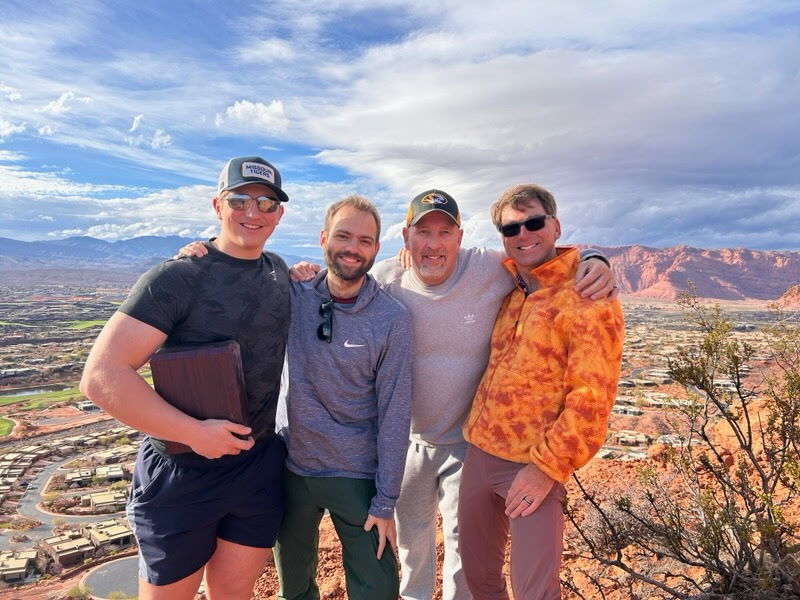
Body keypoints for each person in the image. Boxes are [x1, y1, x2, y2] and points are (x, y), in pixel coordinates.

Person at [369, 189, 615, 600]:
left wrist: (596, 259)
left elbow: (592, 394)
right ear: (407, 237)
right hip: (415, 444)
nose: (523, 234)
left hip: (473, 449)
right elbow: (338, 289)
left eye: (444, 232)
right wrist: (302, 274)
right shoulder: (387, 278)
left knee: (469, 566)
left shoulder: (495, 269)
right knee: (419, 553)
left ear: (460, 236)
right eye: (423, 233)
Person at [79, 155, 291, 600]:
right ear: (218, 205)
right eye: (240, 200)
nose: (253, 213)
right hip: (182, 473)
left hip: (256, 466)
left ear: (279, 214)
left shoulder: (278, 272)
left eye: (266, 204)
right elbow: (101, 376)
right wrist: (193, 433)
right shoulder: (176, 277)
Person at [458, 184, 624, 599]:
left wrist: (546, 468)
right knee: (478, 578)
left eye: (533, 222)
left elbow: (591, 398)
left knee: (535, 590)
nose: (523, 234)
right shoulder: (511, 286)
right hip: (479, 452)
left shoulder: (588, 299)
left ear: (555, 226)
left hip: (533, 464)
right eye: (511, 228)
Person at [271, 195, 412, 600]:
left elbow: (395, 412)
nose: (353, 248)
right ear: (322, 239)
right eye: (343, 236)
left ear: (376, 249)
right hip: (292, 467)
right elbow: (237, 270)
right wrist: (196, 251)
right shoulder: (293, 295)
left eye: (365, 240)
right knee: (293, 588)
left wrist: (385, 501)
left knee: (376, 587)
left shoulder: (391, 318)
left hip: (357, 475)